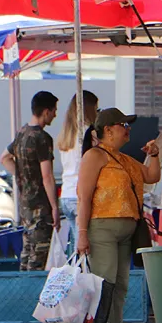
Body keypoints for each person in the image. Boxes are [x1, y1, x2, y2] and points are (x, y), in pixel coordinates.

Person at [75, 108, 161, 323]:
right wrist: (82, 232)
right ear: (108, 130)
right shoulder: (95, 156)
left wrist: (154, 154)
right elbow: (84, 197)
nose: (129, 128)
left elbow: (152, 176)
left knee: (120, 285)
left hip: (126, 231)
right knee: (106, 283)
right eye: (124, 124)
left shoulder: (123, 159)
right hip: (102, 227)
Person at [0, 91, 60, 271]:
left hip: (25, 205)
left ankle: (22, 293)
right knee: (39, 258)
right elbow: (47, 176)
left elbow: (4, 158)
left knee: (26, 254)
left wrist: (21, 177)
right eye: (54, 110)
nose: (55, 114)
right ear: (46, 111)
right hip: (41, 207)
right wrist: (55, 207)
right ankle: (34, 297)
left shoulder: (22, 133)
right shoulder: (42, 138)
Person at [55, 91, 98, 256]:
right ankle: (83, 281)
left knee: (76, 247)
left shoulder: (66, 134)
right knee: (86, 250)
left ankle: (76, 278)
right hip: (81, 195)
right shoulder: (87, 134)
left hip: (66, 194)